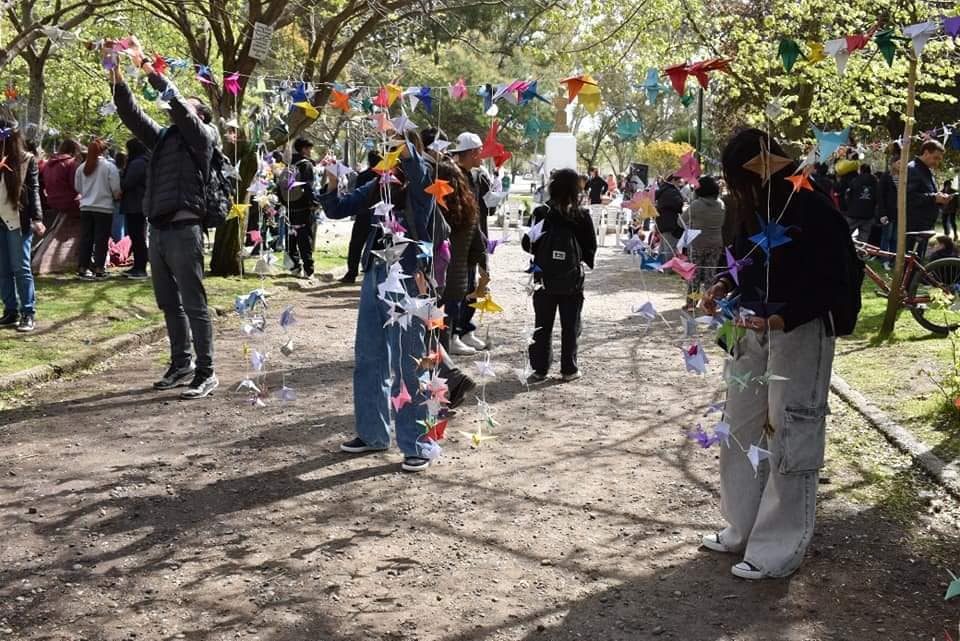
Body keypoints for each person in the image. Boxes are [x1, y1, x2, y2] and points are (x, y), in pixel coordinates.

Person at [700, 128, 856, 580]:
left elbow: (836, 282)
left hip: (800, 331)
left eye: (741, 177)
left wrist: (783, 319)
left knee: (789, 432)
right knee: (742, 427)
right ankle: (741, 527)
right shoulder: (750, 206)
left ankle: (778, 547)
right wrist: (724, 285)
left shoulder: (813, 204)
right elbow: (742, 255)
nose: (737, 189)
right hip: (748, 328)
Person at [324, 134, 455, 472]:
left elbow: (417, 168)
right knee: (368, 356)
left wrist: (405, 145)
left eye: (396, 149)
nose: (390, 157)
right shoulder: (380, 184)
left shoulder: (422, 181)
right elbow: (337, 208)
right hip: (375, 273)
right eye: (389, 150)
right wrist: (331, 181)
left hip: (409, 276)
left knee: (410, 361)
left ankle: (417, 444)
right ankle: (372, 433)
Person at [111, 38, 220, 400]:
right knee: (168, 303)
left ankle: (206, 372)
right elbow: (130, 113)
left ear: (199, 114)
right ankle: (181, 364)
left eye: (189, 105)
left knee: (194, 303)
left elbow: (176, 104)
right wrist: (116, 74)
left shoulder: (201, 138)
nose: (176, 106)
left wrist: (147, 66)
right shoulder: (161, 140)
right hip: (157, 230)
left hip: (185, 230)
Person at [522, 168, 597, 383]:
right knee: (570, 324)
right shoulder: (581, 215)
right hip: (572, 280)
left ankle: (539, 369)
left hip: (544, 277)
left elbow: (529, 243)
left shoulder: (541, 212)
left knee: (542, 324)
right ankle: (569, 369)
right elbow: (590, 246)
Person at [0, 121, 44, 332]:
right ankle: (10, 311)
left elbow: (33, 190)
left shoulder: (26, 160)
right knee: (3, 270)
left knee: (20, 268)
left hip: (18, 221)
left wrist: (37, 218)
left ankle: (28, 312)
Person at [450, 131, 492, 352]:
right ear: (471, 153)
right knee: (461, 286)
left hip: (478, 236)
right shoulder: (454, 175)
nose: (481, 156)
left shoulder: (477, 177)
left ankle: (466, 328)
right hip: (461, 241)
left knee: (475, 285)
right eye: (478, 152)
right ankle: (453, 332)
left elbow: (486, 207)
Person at [74, 139, 121, 280]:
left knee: (85, 238)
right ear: (104, 151)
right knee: (101, 239)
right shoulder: (109, 167)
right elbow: (116, 189)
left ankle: (83, 267)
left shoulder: (81, 168)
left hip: (86, 207)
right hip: (103, 207)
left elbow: (77, 188)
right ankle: (99, 268)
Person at [33, 139, 81, 274]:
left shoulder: (49, 164)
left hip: (52, 202)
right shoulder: (71, 163)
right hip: (70, 203)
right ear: (73, 150)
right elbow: (76, 186)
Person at [684, 176, 725, 309]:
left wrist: (692, 225)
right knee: (710, 275)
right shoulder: (721, 204)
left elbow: (681, 221)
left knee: (694, 274)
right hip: (716, 243)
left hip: (697, 243)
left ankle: (691, 303)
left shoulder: (696, 205)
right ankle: (710, 303)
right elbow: (722, 223)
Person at [341, 150, 380, 284]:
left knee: (356, 244)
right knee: (376, 244)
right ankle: (372, 272)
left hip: (363, 214)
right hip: (379, 214)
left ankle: (351, 273)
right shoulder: (384, 175)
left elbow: (357, 193)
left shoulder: (364, 175)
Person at [906, 140, 950, 256]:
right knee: (910, 264)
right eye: (935, 158)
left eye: (939, 159)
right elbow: (908, 197)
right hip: (914, 226)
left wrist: (941, 199)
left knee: (916, 262)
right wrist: (934, 198)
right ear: (926, 153)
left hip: (924, 225)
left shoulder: (926, 170)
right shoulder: (913, 169)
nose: (937, 162)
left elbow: (929, 194)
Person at [284, 138, 319, 278]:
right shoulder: (306, 165)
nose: (310, 151)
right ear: (304, 149)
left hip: (290, 206)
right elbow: (308, 187)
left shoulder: (289, 163)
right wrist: (314, 203)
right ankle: (308, 270)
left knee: (292, 237)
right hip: (304, 208)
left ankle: (294, 267)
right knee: (305, 238)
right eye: (309, 148)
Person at [121, 138, 150, 279]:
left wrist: (120, 179)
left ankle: (140, 267)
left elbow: (128, 183)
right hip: (137, 203)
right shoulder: (143, 161)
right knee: (136, 236)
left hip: (135, 204)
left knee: (138, 236)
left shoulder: (138, 163)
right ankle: (137, 265)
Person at [844, 164, 878, 242]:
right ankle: (860, 253)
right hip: (868, 215)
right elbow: (877, 197)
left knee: (844, 235)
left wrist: (849, 207)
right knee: (863, 239)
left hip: (853, 213)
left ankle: (845, 252)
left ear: (861, 171)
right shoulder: (875, 182)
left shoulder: (855, 180)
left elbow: (848, 196)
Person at [655, 174, 685, 259]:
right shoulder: (672, 191)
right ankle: (669, 269)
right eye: (678, 182)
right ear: (673, 180)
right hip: (671, 222)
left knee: (664, 246)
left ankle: (661, 266)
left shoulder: (663, 189)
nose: (679, 184)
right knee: (670, 247)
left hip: (662, 221)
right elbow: (678, 204)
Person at [877, 158, 899, 269]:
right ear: (892, 164)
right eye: (898, 162)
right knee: (887, 236)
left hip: (898, 213)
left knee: (895, 238)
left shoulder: (903, 177)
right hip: (888, 212)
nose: (900, 165)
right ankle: (884, 260)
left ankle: (893, 260)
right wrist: (882, 213)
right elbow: (880, 196)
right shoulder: (886, 177)